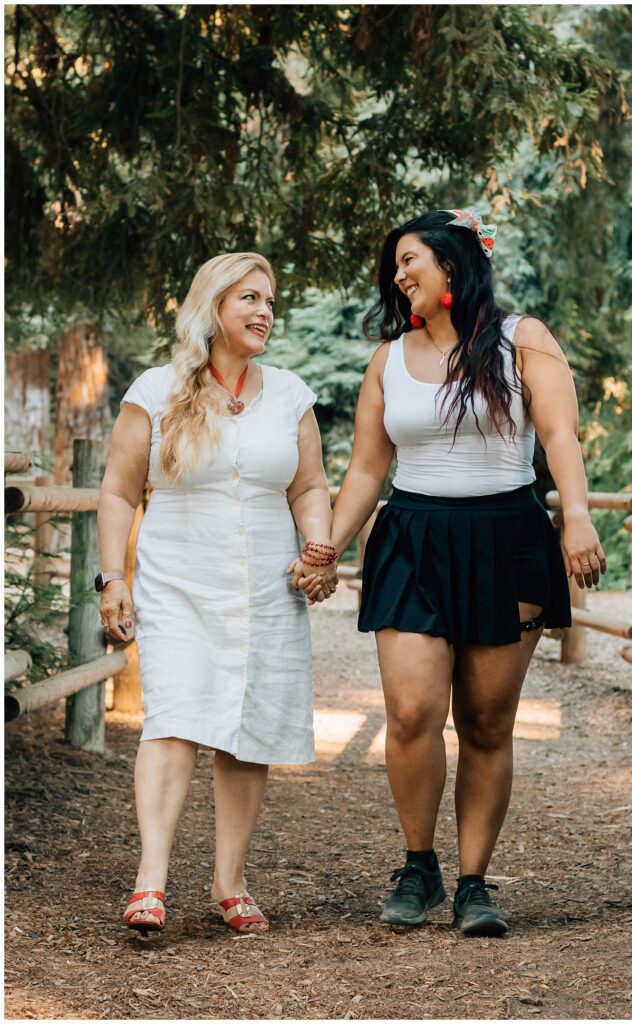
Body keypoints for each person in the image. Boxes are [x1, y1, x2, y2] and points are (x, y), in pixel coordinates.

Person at [322, 208, 606, 934]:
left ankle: (474, 883)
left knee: (486, 721)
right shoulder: (389, 358)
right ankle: (419, 867)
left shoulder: (522, 340)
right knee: (413, 712)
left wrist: (574, 515)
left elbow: (560, 436)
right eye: (395, 265)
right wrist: (326, 543)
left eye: (410, 258)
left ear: (454, 262)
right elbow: (364, 468)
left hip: (506, 538)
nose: (399, 274)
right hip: (413, 537)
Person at [97, 252, 338, 935]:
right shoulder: (154, 391)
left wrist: (316, 546)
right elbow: (118, 491)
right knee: (172, 720)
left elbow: (308, 486)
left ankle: (230, 883)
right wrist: (114, 577)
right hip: (178, 582)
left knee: (246, 731)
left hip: (266, 585)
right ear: (213, 307)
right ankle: (150, 882)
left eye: (270, 300)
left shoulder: (290, 394)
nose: (265, 311)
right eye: (249, 299)